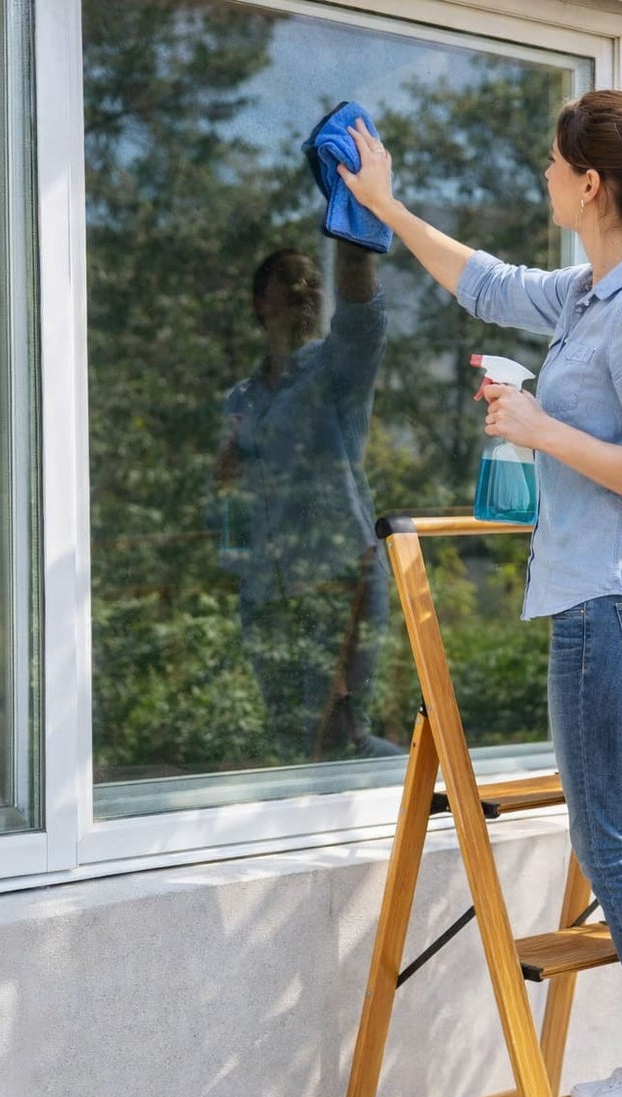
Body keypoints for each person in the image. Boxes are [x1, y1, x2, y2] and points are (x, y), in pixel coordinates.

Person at [338, 90, 622, 1097]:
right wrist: (385, 210)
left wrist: (537, 428)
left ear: (588, 183)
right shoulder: (593, 293)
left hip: (615, 613)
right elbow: (483, 284)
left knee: (612, 841)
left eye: (549, 163)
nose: (539, 176)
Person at [214, 240, 398, 764]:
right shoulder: (241, 400)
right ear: (260, 302)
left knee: (347, 734)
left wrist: (353, 234)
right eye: (289, 281)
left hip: (341, 580)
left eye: (312, 280)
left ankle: (433, 806)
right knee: (292, 739)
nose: (304, 289)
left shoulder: (334, 368)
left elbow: (362, 316)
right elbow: (231, 501)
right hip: (267, 594)